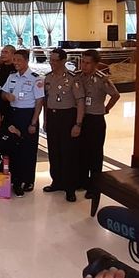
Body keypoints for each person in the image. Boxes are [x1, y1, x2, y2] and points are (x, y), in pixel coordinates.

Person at [43, 48, 85, 203]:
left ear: (63, 61)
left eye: (55, 60)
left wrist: (78, 124)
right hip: (53, 117)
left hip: (68, 117)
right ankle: (57, 181)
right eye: (51, 60)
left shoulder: (73, 78)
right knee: (54, 151)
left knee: (68, 153)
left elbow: (80, 102)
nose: (52, 63)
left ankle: (70, 187)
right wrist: (46, 120)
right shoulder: (48, 78)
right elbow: (46, 101)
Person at [1, 49, 44, 196]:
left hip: (28, 115)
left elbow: (39, 101)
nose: (16, 63)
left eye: (19, 60)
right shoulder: (12, 76)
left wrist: (33, 122)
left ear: (26, 61)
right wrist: (7, 96)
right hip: (13, 114)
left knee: (28, 148)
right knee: (14, 147)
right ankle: (16, 178)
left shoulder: (35, 78)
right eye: (14, 60)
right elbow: (3, 93)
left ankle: (28, 180)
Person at [77, 50, 120, 199]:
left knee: (95, 154)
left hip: (95, 119)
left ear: (95, 64)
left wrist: (106, 109)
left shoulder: (102, 79)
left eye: (88, 63)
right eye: (83, 62)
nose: (84, 65)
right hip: (81, 119)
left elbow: (115, 95)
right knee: (81, 152)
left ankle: (95, 186)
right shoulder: (78, 77)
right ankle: (82, 181)